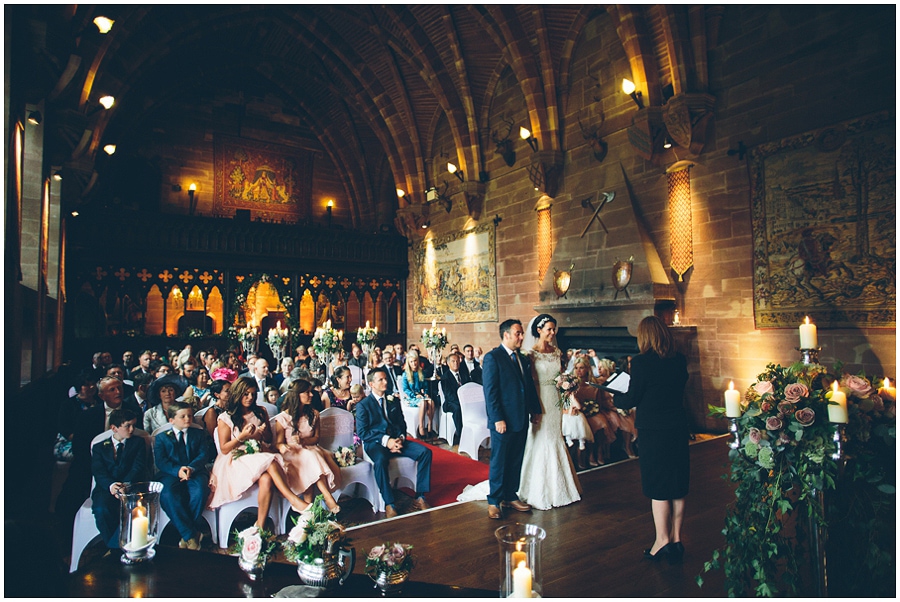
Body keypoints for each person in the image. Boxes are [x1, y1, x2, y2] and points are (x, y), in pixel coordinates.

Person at [614, 316, 689, 562]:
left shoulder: (641, 363)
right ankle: (676, 539)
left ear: (644, 337)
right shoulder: (679, 360)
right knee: (677, 485)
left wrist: (616, 397)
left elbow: (631, 398)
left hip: (654, 431)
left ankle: (661, 540)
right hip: (677, 428)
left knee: (658, 487)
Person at [208, 376, 310, 529]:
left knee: (267, 479)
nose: (250, 398)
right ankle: (293, 499)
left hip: (258, 452)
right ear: (237, 394)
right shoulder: (225, 417)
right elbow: (224, 448)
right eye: (246, 394)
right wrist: (242, 437)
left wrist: (261, 433)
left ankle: (260, 527)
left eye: (253, 394)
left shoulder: (260, 411)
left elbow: (268, 439)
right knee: (269, 461)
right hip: (236, 458)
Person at [518, 314, 582, 510]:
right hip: (539, 398)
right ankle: (535, 488)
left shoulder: (556, 351)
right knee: (540, 438)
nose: (553, 333)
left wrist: (567, 388)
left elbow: (560, 376)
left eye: (554, 329)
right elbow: (527, 382)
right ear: (539, 330)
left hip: (554, 400)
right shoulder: (530, 353)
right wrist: (532, 407)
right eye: (549, 329)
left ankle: (561, 487)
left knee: (556, 437)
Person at [482, 319, 543, 520]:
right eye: (517, 333)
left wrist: (535, 409)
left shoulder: (521, 358)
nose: (521, 337)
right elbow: (490, 393)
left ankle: (510, 495)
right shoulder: (493, 357)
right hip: (503, 421)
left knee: (516, 459)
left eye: (522, 333)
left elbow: (527, 386)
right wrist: (497, 418)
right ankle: (494, 500)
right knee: (499, 461)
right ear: (506, 335)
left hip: (520, 417)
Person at [356, 367, 432, 519]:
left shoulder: (393, 400)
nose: (385, 382)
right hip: (376, 443)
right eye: (381, 380)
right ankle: (389, 502)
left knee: (425, 453)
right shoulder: (363, 405)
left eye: (386, 379)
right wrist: (387, 441)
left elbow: (402, 424)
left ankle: (420, 496)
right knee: (380, 461)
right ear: (371, 384)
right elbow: (363, 433)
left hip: (397, 440)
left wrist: (400, 439)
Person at [273, 381, 342, 512]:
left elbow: (316, 438)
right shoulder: (283, 418)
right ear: (297, 395)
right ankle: (327, 497)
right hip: (292, 455)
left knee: (312, 456)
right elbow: (278, 443)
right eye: (307, 392)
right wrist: (282, 446)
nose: (311, 395)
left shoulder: (314, 414)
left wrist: (303, 441)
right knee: (311, 457)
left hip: (309, 449)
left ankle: (308, 511)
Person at [154, 401, 214, 550]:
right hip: (171, 473)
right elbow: (161, 461)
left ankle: (187, 533)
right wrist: (177, 470)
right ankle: (191, 534)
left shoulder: (198, 433)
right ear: (171, 420)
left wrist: (191, 468)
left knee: (199, 491)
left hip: (195, 470)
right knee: (168, 495)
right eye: (182, 416)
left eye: (190, 415)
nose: (188, 419)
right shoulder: (161, 438)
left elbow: (203, 455)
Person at [91, 408, 147, 550]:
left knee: (132, 510)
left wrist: (125, 485)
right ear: (114, 428)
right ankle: (116, 547)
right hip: (107, 488)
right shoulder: (99, 447)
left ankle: (113, 550)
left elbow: (138, 467)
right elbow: (99, 471)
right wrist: (112, 485)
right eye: (127, 426)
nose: (132, 429)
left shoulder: (138, 443)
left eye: (134, 425)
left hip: (131, 486)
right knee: (101, 509)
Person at [400, 350, 436, 439]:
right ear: (409, 362)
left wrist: (426, 393)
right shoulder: (405, 374)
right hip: (410, 397)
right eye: (411, 361)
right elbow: (405, 390)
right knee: (423, 402)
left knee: (431, 402)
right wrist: (415, 395)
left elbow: (425, 386)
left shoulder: (421, 372)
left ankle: (429, 426)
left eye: (415, 361)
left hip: (421, 396)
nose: (414, 363)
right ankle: (421, 427)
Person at [437, 351, 468, 446]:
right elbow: (449, 395)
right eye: (453, 361)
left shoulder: (464, 374)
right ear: (448, 363)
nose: (456, 363)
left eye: (457, 361)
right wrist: (462, 402)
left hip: (465, 400)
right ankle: (461, 435)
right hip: (451, 403)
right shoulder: (445, 377)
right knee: (458, 408)